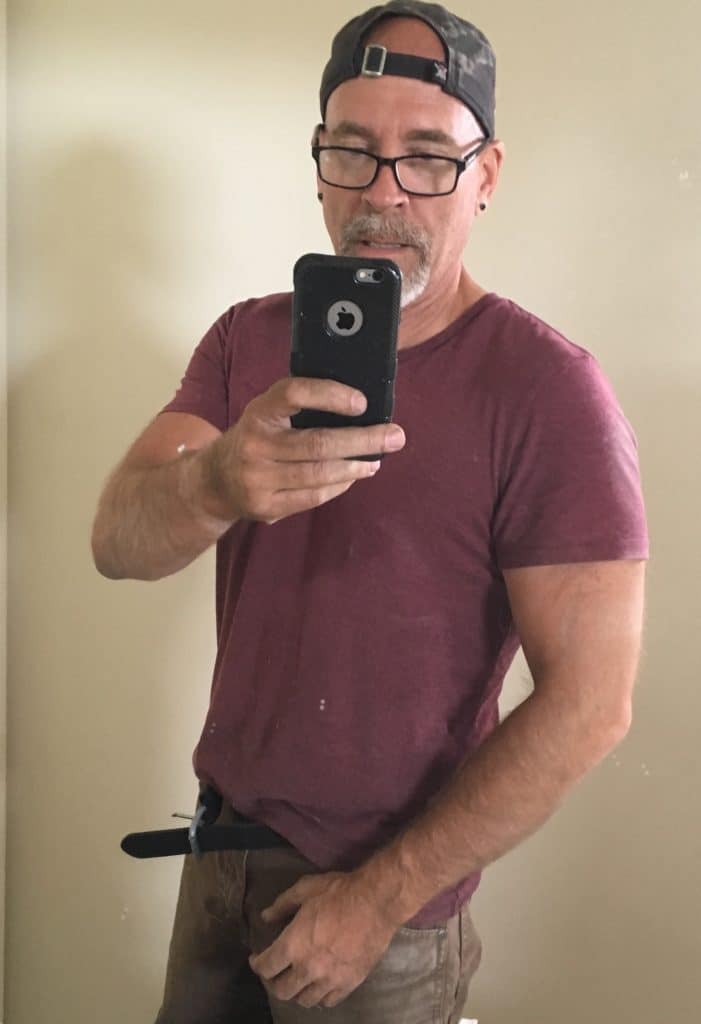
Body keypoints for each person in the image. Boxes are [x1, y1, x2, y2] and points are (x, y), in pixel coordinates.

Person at [91, 2, 650, 1021]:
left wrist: (378, 901)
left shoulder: (547, 389)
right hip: (214, 860)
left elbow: (591, 703)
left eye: (427, 157)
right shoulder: (245, 341)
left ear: (485, 176)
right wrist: (215, 483)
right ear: (317, 164)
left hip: (383, 914)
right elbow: (118, 542)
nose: (382, 192)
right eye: (351, 151)